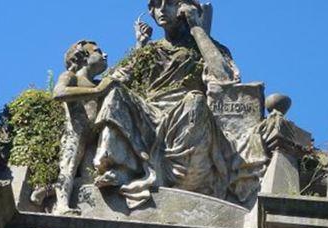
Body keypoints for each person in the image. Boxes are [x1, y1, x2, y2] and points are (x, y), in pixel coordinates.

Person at [92, 0, 244, 209]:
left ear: (185, 8)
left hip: (182, 115)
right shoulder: (149, 51)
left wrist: (197, 28)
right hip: (148, 113)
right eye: (156, 4)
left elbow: (225, 79)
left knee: (195, 100)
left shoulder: (204, 47)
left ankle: (178, 177)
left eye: (170, 3)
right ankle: (119, 166)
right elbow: (114, 80)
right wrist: (140, 46)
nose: (162, 9)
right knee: (116, 94)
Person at [31, 40, 114, 213]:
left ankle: (48, 189)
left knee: (88, 178)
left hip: (93, 135)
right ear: (83, 57)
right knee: (68, 167)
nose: (105, 55)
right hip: (75, 132)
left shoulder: (99, 81)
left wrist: (140, 44)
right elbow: (59, 93)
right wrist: (97, 92)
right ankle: (61, 207)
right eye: (98, 51)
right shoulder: (71, 77)